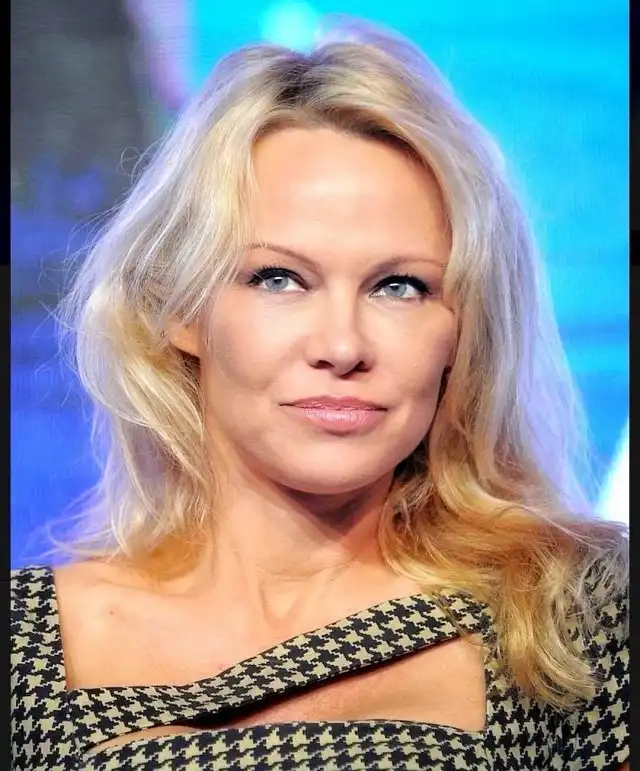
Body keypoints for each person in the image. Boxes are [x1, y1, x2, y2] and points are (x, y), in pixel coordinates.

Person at [11, 18, 628, 771]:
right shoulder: (28, 647)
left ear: (462, 330)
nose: (342, 346)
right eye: (280, 279)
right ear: (180, 309)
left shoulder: (571, 612)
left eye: (400, 287)